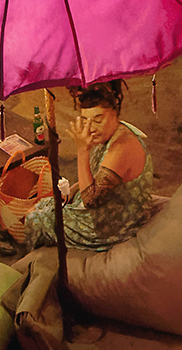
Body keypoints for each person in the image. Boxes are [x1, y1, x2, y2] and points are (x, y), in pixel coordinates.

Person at [23, 82, 152, 252]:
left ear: (115, 113)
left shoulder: (121, 146)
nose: (91, 128)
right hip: (105, 206)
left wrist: (82, 150)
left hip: (116, 224)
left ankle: (32, 258)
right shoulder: (109, 133)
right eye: (85, 121)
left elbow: (91, 200)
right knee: (43, 204)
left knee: (35, 217)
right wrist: (74, 190)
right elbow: (97, 176)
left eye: (98, 120)